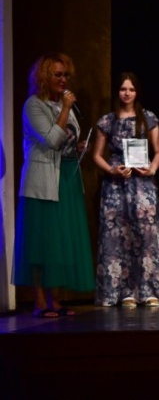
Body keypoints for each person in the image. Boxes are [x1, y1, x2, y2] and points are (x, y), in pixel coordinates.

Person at [14, 53, 94, 316]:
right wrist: (68, 110)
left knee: (61, 242)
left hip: (68, 179)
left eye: (66, 75)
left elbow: (66, 141)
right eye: (57, 75)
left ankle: (56, 300)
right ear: (43, 78)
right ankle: (39, 301)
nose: (63, 80)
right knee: (42, 243)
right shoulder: (33, 105)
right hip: (44, 181)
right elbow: (51, 140)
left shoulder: (63, 105)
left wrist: (79, 146)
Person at [92, 72, 159, 307]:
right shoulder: (108, 121)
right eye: (123, 89)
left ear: (137, 92)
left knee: (146, 236)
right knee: (118, 237)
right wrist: (111, 170)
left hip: (142, 185)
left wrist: (152, 168)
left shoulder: (149, 118)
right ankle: (123, 292)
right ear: (117, 91)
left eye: (131, 89)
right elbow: (96, 156)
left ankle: (149, 290)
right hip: (116, 186)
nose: (127, 93)